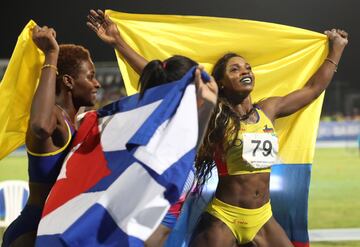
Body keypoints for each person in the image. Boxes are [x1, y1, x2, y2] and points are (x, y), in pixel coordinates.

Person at [190, 29, 348, 247]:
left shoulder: (269, 109)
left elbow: (313, 89)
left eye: (247, 68)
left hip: (263, 217)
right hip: (224, 217)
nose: (244, 72)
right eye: (234, 70)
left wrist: (337, 48)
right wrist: (123, 45)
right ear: (221, 82)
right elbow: (167, 82)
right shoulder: (216, 116)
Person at [86, 9, 218, 247]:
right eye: (197, 78)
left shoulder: (183, 122)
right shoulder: (156, 137)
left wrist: (119, 43)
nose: (205, 82)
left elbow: (161, 79)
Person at [2, 26, 101, 247]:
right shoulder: (54, 119)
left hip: (55, 229)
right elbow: (39, 126)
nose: (97, 84)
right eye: (91, 77)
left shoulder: (76, 122)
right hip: (32, 234)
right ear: (68, 81)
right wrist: (51, 54)